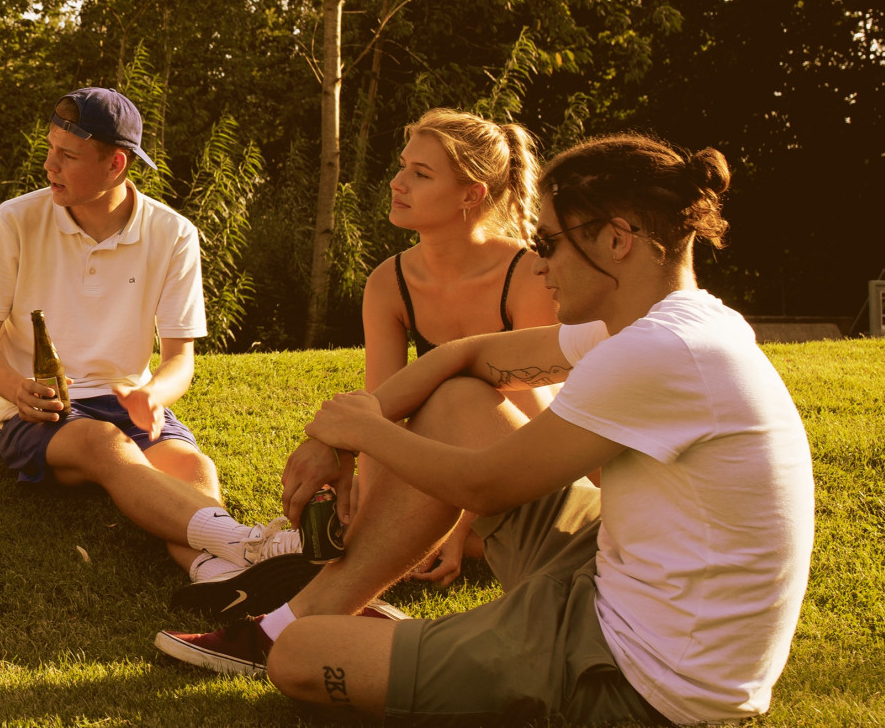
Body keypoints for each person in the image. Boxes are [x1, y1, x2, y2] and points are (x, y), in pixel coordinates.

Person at [158, 136, 812, 726]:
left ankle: (296, 632)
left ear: (618, 239)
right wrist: (342, 440)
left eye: (551, 243)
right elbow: (465, 356)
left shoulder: (659, 352)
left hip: (639, 681)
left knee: (301, 661)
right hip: (619, 578)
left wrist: (364, 428)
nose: (540, 264)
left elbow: (486, 486)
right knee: (458, 404)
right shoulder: (670, 323)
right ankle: (307, 614)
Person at [174, 109, 557, 619]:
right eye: (403, 167)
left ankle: (306, 578)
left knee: (453, 404)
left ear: (472, 194)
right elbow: (379, 412)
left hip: (525, 467)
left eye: (421, 174)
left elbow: (538, 418)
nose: (398, 183)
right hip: (445, 471)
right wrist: (361, 498)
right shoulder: (390, 282)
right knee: (357, 524)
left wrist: (460, 520)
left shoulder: (528, 273)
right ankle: (237, 564)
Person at [0, 87, 291, 586]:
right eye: (50, 149)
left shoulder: (174, 234)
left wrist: (152, 395)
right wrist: (16, 390)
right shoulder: (14, 220)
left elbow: (180, 358)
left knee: (193, 467)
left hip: (129, 403)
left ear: (116, 165)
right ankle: (250, 545)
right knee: (103, 443)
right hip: (42, 412)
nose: (49, 165)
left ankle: (214, 575)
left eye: (67, 156)